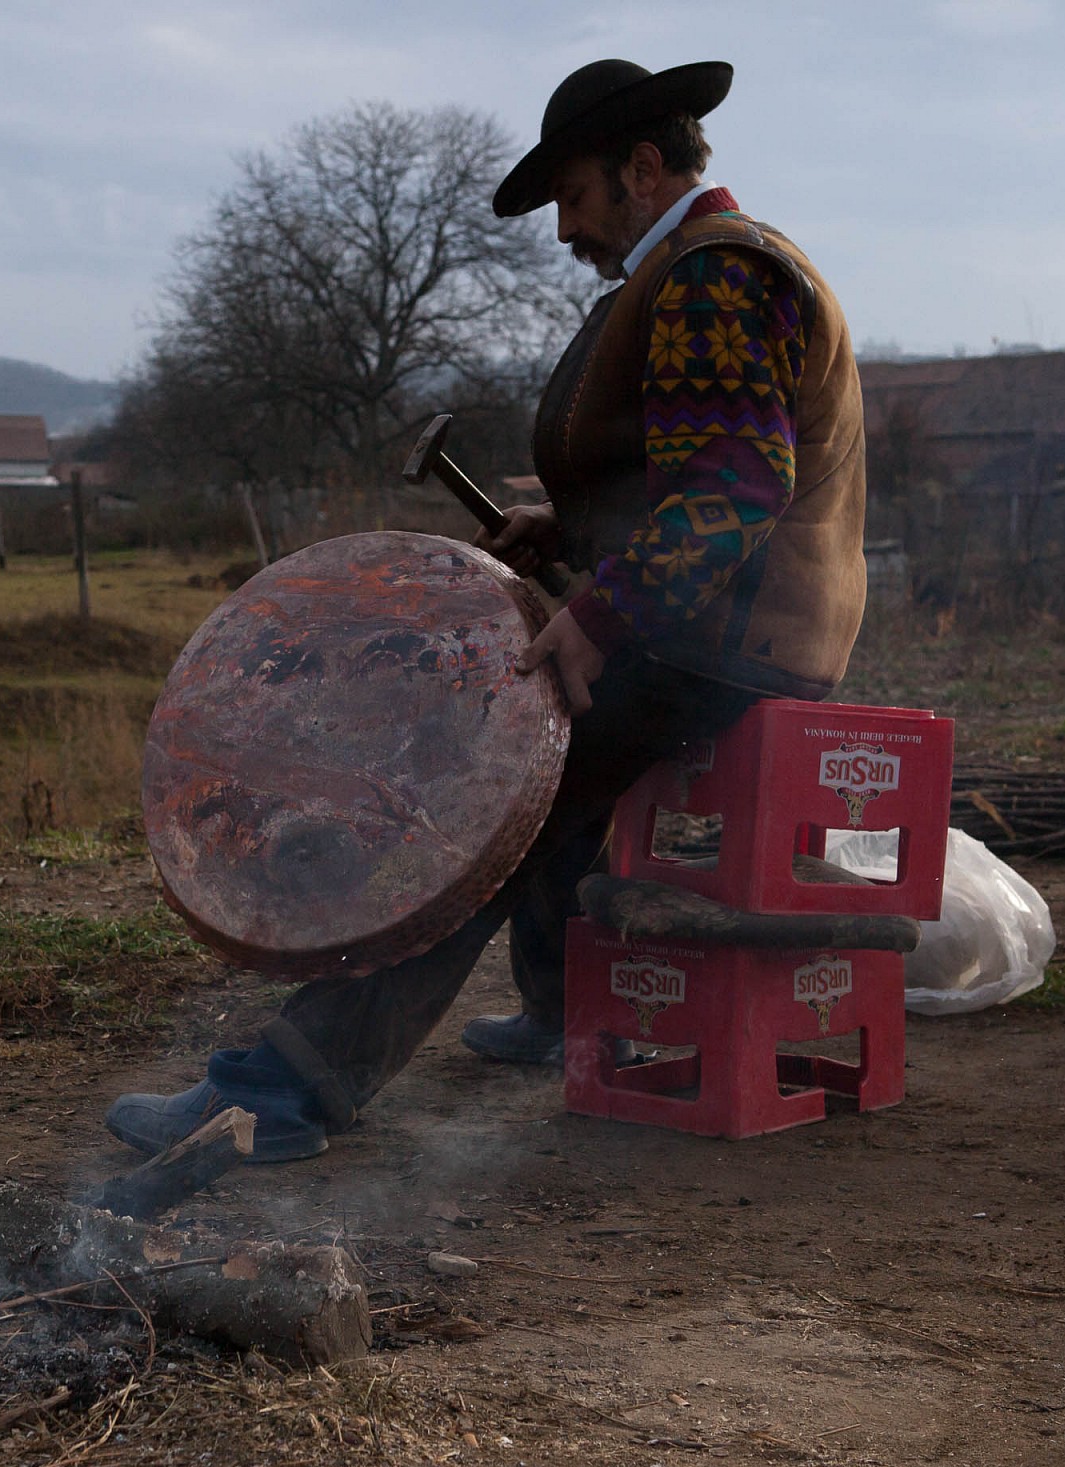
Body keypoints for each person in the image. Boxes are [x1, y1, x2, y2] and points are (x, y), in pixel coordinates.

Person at [108, 58, 868, 1162]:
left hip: (721, 643)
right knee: (548, 787)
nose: (566, 229)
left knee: (479, 806)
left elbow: (735, 488)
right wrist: (566, 529)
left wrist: (601, 617)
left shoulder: (715, 277)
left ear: (642, 168)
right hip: (716, 628)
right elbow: (684, 474)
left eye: (575, 196)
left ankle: (279, 1096)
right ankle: (568, 1016)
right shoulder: (692, 271)